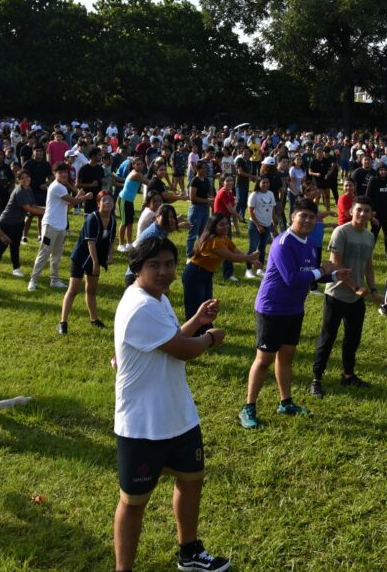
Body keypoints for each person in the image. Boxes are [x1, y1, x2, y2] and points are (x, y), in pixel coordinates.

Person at [112, 236, 231, 572]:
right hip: (142, 425)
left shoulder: (156, 298)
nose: (164, 271)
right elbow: (183, 350)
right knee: (133, 502)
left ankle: (189, 551)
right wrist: (210, 337)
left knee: (191, 480)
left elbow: (173, 337)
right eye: (154, 265)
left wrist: (195, 320)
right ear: (138, 268)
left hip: (178, 415)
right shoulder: (141, 306)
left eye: (168, 264)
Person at [239, 199, 346, 430]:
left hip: (294, 309)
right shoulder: (283, 242)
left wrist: (335, 276)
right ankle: (248, 407)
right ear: (292, 217)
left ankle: (285, 402)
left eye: (311, 216)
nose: (307, 220)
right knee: (264, 359)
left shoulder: (308, 242)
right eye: (302, 216)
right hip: (272, 308)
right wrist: (322, 270)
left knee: (286, 356)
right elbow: (291, 278)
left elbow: (309, 275)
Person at [309, 196, 380, 398]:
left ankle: (348, 376)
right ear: (351, 211)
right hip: (337, 294)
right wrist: (355, 286)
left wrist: (373, 289)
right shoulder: (341, 232)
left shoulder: (369, 236)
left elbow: (368, 264)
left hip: (356, 299)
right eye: (359, 210)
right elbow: (336, 263)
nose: (362, 214)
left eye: (367, 210)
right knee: (328, 337)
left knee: (353, 339)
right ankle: (316, 380)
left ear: (371, 214)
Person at [182, 214, 259, 329]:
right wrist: (250, 258)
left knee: (207, 305)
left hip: (206, 274)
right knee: (195, 306)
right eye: (221, 224)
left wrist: (251, 259)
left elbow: (234, 250)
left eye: (227, 223)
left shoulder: (224, 238)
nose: (226, 226)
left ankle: (206, 332)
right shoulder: (214, 240)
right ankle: (192, 334)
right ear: (213, 226)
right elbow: (231, 257)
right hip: (194, 274)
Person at [58, 192, 117, 334]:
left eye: (110, 200)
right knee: (73, 290)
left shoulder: (113, 220)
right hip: (81, 257)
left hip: (95, 258)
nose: (108, 203)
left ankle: (94, 319)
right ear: (98, 204)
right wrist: (96, 264)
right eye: (104, 200)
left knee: (91, 290)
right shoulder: (92, 218)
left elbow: (110, 241)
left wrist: (109, 255)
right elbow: (90, 243)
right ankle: (63, 323)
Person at [28, 162, 92, 291]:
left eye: (65, 172)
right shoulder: (57, 187)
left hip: (61, 226)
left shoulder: (62, 187)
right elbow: (73, 201)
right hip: (50, 226)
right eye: (60, 172)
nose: (63, 174)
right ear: (54, 174)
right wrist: (85, 197)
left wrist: (78, 197)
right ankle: (33, 281)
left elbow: (68, 206)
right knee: (44, 253)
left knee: (57, 255)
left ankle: (54, 280)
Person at [244, 176, 276, 279]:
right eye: (263, 183)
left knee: (262, 247)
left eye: (267, 182)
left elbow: (272, 209)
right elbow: (250, 212)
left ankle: (259, 269)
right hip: (255, 225)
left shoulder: (271, 194)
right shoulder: (254, 195)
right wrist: (258, 225)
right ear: (258, 183)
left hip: (267, 225)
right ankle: (248, 270)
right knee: (252, 247)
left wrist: (273, 223)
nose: (266, 184)